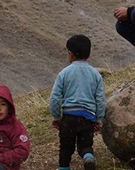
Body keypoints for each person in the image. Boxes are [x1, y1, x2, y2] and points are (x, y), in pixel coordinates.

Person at [49, 35, 105, 170]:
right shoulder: (96, 74)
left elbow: (55, 97)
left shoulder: (64, 73)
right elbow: (100, 99)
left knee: (66, 147)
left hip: (68, 117)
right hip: (87, 117)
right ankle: (88, 157)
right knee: (85, 145)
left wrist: (56, 117)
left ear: (70, 54)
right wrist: (99, 118)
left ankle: (63, 168)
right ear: (89, 54)